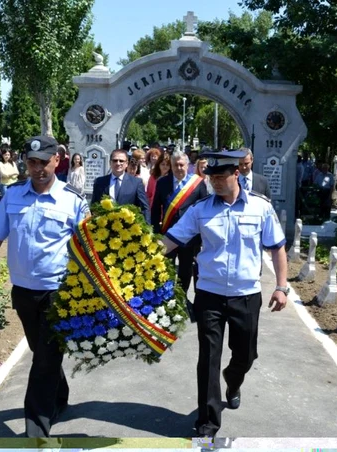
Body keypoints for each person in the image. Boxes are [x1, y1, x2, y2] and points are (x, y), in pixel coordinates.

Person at [160, 148, 288, 438]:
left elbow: (277, 247)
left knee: (245, 356)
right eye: (211, 176)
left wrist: (281, 287)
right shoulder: (200, 209)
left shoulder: (260, 207)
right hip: (209, 294)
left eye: (221, 176)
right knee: (208, 359)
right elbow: (171, 240)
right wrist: (141, 257)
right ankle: (207, 424)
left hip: (246, 294)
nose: (215, 181)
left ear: (237, 174)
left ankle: (233, 381)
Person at [0, 135, 89, 438]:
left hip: (59, 293)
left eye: (43, 162)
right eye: (31, 162)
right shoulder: (13, 196)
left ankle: (35, 432)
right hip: (23, 292)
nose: (37, 169)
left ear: (57, 161)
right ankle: (59, 397)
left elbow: (90, 247)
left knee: (45, 358)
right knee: (41, 351)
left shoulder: (72, 199)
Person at [151, 150, 207, 296]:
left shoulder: (197, 184)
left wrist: (202, 235)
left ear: (187, 165)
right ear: (171, 165)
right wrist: (156, 232)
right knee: (166, 267)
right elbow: (156, 209)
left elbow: (204, 210)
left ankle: (181, 297)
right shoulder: (162, 182)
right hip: (168, 234)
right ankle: (166, 297)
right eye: (175, 165)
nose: (179, 168)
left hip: (190, 236)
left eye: (182, 165)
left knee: (186, 268)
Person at [91, 149, 150, 223]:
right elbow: (94, 206)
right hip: (104, 228)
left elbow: (144, 208)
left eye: (121, 161)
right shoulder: (100, 182)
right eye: (115, 160)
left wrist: (147, 229)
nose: (118, 163)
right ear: (110, 163)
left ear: (126, 164)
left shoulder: (136, 183)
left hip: (129, 228)